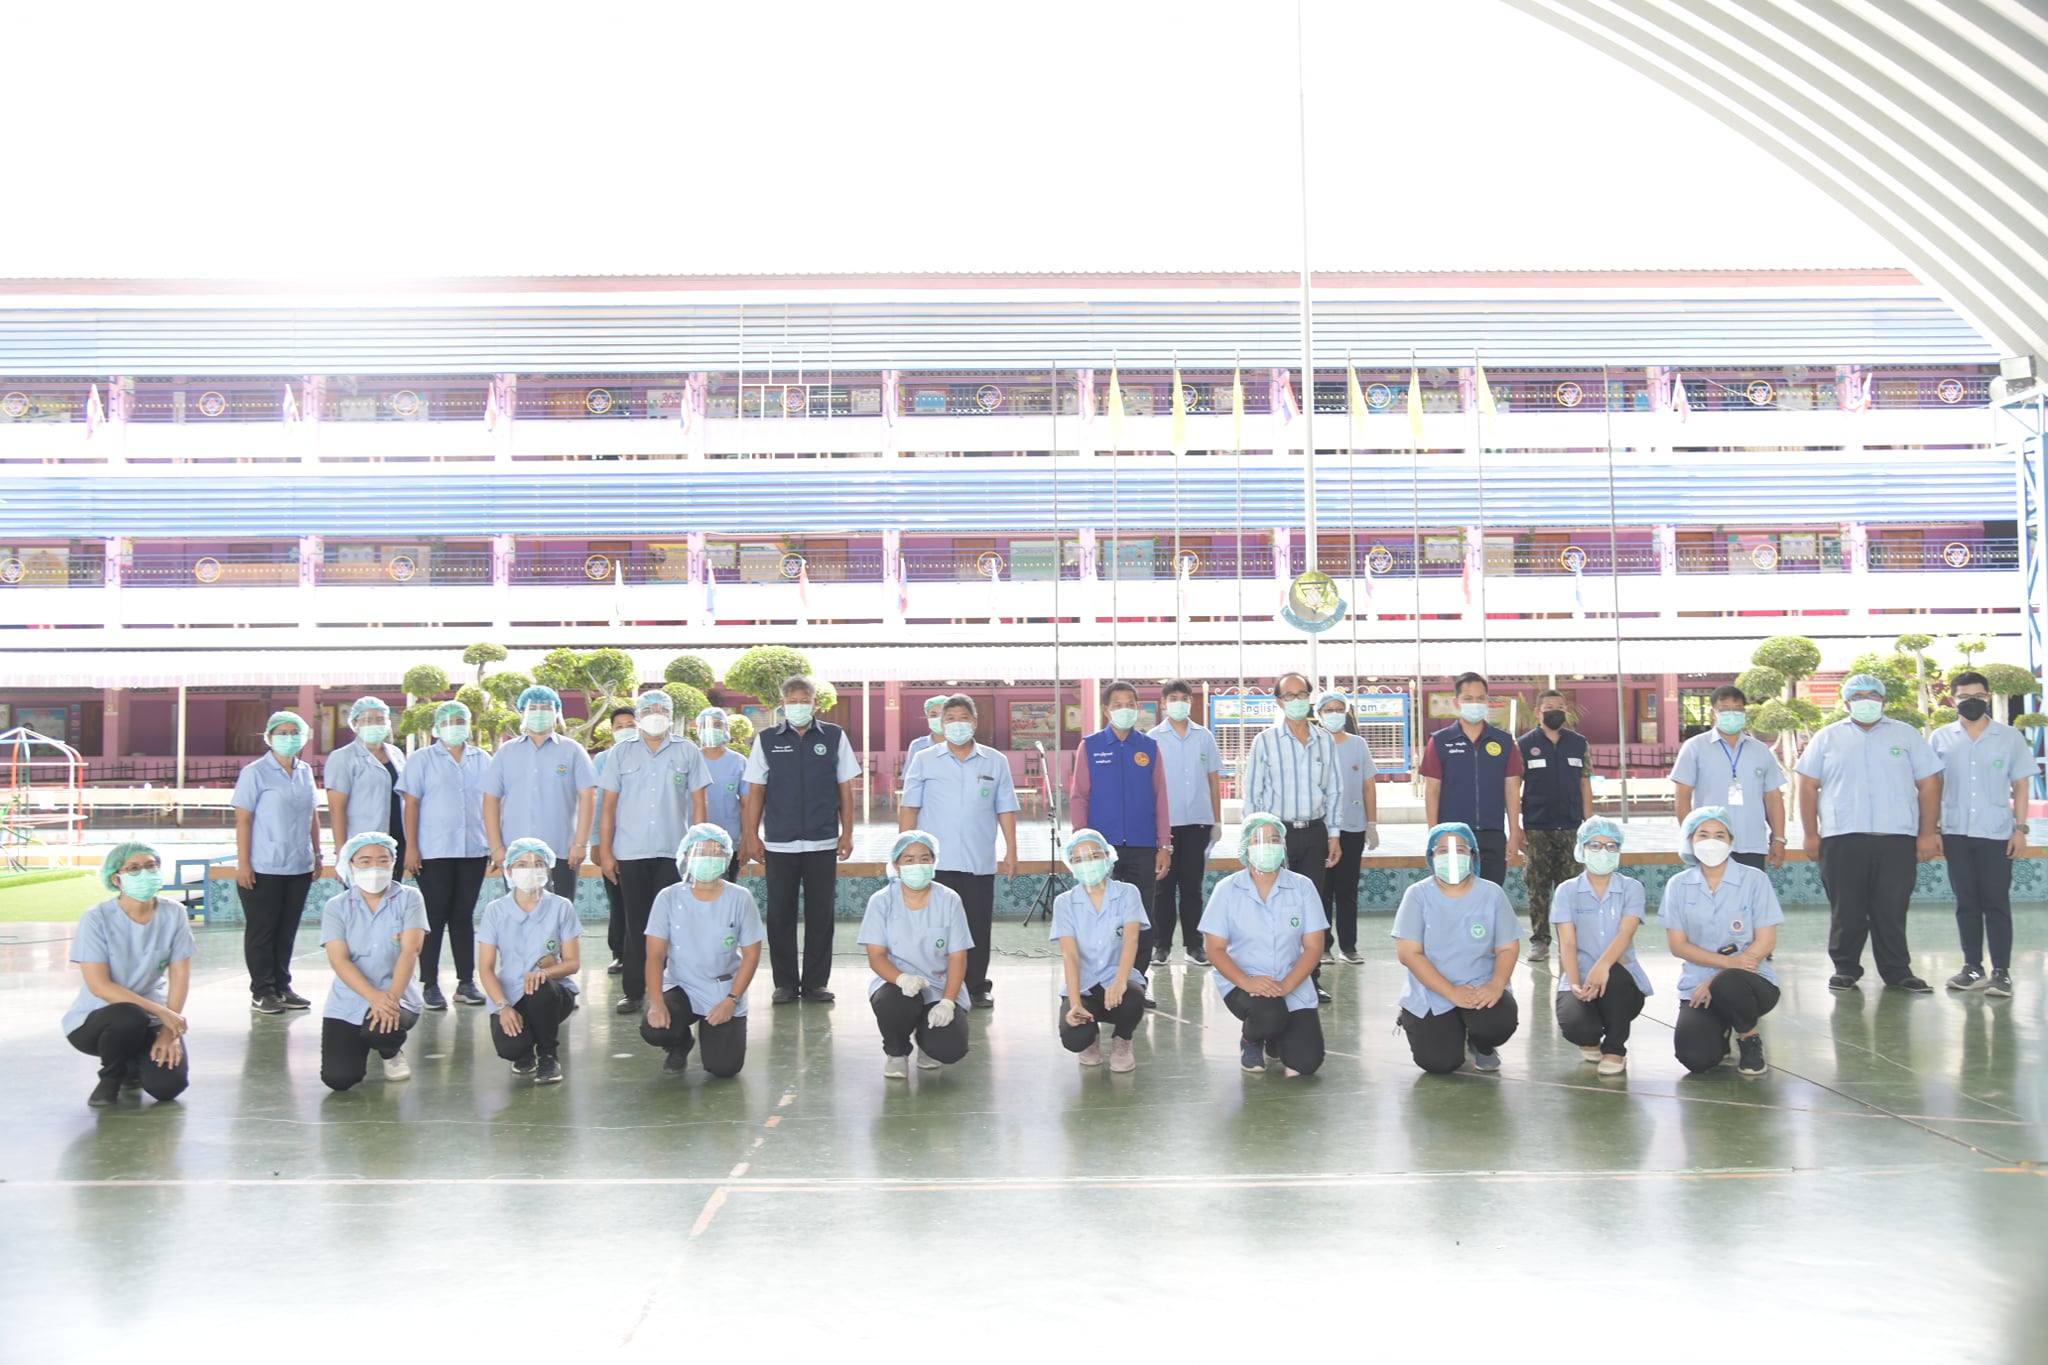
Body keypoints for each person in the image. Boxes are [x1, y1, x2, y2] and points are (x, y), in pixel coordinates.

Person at [1795, 672, 1942, 992]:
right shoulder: (1826, 737)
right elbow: (1807, 785)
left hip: (1897, 838)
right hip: (1842, 837)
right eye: (1858, 696)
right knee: (1846, 908)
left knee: (1891, 908)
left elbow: (1929, 782)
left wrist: (1927, 833)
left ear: (1884, 700)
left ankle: (1898, 971)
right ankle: (1845, 968)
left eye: (1873, 695)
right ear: (1846, 701)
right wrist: (1810, 833)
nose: (1866, 702)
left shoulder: (1906, 736)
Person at [740, 674, 860, 1003]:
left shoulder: (834, 736)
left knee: (822, 915)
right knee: (780, 915)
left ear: (814, 703)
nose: (797, 706)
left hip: (823, 842)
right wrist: (751, 835)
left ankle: (816, 984)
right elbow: (756, 789)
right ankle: (785, 984)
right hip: (779, 842)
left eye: (803, 700)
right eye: (791, 701)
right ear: (782, 705)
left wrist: (846, 832)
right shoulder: (765, 740)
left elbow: (845, 788)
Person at [900, 693, 1019, 1009]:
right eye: (950, 719)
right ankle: (934, 983)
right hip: (934, 864)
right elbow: (909, 807)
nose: (956, 725)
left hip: (978, 860)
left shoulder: (995, 761)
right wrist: (903, 854)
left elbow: (1005, 808)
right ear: (941, 724)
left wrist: (1011, 851)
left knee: (977, 925)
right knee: (935, 927)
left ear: (975, 723)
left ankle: (977, 986)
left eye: (963, 718)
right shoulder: (924, 759)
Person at [598, 689, 711, 1016]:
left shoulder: (687, 751)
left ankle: (677, 987)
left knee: (675, 923)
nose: (655, 714)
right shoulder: (621, 753)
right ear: (638, 715)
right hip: (630, 853)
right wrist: (606, 852)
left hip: (673, 853)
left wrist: (697, 849)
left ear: (671, 714)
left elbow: (699, 805)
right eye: (648, 710)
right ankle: (634, 992)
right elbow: (608, 807)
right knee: (636, 924)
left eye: (662, 709)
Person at [1931, 670, 2038, 996]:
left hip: (1995, 832)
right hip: (1955, 831)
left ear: (1988, 698)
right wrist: (1933, 828)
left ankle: (2001, 971)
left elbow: (2020, 785)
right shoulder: (1940, 738)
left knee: (1996, 902)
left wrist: (2019, 829)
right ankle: (1972, 966)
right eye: (1964, 697)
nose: (1971, 702)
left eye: (1978, 696)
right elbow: (1932, 786)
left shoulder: (2009, 738)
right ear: (1953, 700)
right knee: (1966, 902)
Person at [63, 842, 193, 1109]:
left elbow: (180, 974)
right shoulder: (96, 918)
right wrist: (164, 1012)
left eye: (150, 866)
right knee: (128, 1015)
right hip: (99, 1020)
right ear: (116, 878)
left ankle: (133, 1063)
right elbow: (100, 986)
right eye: (133, 869)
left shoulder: (174, 913)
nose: (144, 873)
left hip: (151, 1018)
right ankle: (111, 1079)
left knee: (168, 1087)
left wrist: (170, 1031)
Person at [1199, 813, 1328, 1077]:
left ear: (1283, 846)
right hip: (1242, 983)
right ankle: (1252, 1039)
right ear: (1246, 846)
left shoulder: (1303, 887)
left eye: (1274, 839)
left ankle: (1274, 1037)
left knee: (1306, 1063)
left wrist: (1287, 985)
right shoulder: (1227, 890)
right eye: (1258, 839)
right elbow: (1215, 948)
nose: (1267, 845)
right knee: (1269, 1014)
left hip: (1291, 982)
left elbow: (1314, 946)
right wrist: (1247, 982)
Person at [1238, 672, 1341, 1002]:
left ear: (1310, 698)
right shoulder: (1265, 741)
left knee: (1311, 907)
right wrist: (1252, 842)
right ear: (1278, 702)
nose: (1296, 701)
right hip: (1274, 836)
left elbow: (1335, 790)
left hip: (1314, 832)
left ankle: (1310, 978)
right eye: (1289, 696)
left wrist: (1334, 835)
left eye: (1301, 695)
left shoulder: (1324, 740)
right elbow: (1252, 795)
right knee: (1274, 907)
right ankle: (1270, 976)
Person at [1066, 680, 1171, 999]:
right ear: (1106, 710)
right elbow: (1079, 796)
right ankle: (1095, 979)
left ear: (1137, 708)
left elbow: (1160, 798)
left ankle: (1137, 980)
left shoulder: (1149, 747)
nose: (1124, 709)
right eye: (1117, 704)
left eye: (1130, 704)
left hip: (1142, 846)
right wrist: (1081, 845)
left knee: (1141, 917)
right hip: (1101, 851)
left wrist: (1164, 844)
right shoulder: (1091, 745)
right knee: (1099, 913)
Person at [1393, 822, 1523, 1075]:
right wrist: (1451, 992)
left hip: (1480, 988)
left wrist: (1496, 984)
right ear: (1430, 857)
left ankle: (1481, 1043)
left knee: (1496, 1023)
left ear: (1472, 855)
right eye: (1442, 851)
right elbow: (1409, 953)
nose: (1452, 857)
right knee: (1438, 1063)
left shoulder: (1491, 894)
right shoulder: (1417, 895)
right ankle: (1445, 1033)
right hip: (1432, 992)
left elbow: (1508, 947)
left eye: (1460, 850)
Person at [1661, 807, 1783, 1075]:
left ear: (1731, 841)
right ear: (1690, 841)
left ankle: (1748, 1037)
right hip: (1697, 988)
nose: (1712, 842)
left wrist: (1718, 977)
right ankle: (1721, 1031)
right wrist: (1725, 964)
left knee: (1729, 983)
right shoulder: (1678, 886)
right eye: (1703, 835)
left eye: (1719, 835)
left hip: (1751, 982)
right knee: (1695, 1058)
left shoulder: (1755, 880)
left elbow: (1766, 941)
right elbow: (1677, 945)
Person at [640, 824, 763, 1079]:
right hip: (681, 986)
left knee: (724, 1067)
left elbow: (751, 955)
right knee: (654, 1029)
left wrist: (731, 1001)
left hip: (723, 989)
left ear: (726, 858)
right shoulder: (668, 897)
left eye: (716, 852)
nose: (708, 858)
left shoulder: (740, 898)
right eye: (700, 851)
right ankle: (680, 1042)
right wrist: (656, 1003)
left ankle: (716, 1030)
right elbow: (654, 956)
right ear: (686, 856)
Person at [398, 699, 493, 1010]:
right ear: (437, 727)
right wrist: (411, 847)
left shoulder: (483, 759)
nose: (455, 726)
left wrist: (494, 843)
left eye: (460, 720)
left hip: (473, 849)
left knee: (463, 916)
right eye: (449, 721)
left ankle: (466, 982)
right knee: (435, 917)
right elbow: (410, 805)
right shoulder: (422, 760)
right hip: (433, 850)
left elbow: (493, 804)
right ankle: (429, 983)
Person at [857, 830, 973, 1078]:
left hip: (941, 986)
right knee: (894, 1003)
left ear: (934, 862)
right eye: (908, 860)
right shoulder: (881, 902)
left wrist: (948, 1001)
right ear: (896, 866)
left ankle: (927, 1042)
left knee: (950, 1049)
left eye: (924, 858)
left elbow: (957, 957)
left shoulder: (949, 900)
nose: (917, 865)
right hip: (897, 985)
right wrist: (901, 979)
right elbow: (876, 956)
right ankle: (896, 1052)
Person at [318, 833, 427, 1092]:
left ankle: (390, 1051)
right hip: (349, 1000)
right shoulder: (337, 907)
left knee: (379, 1031)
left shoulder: (410, 898)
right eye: (365, 861)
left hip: (397, 997)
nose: (374, 867)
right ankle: (363, 1045)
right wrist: (372, 997)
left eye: (383, 860)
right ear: (351, 865)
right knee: (338, 1079)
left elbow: (410, 951)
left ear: (393, 863)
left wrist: (389, 999)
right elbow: (339, 959)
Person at [233, 709, 322, 1015]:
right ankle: (262, 991)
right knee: (263, 930)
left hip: (298, 864)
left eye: (294, 732)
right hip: (263, 866)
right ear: (269, 737)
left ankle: (282, 987)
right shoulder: (255, 772)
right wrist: (243, 863)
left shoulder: (305, 771)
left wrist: (318, 853)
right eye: (281, 732)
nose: (289, 738)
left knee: (287, 930)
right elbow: (243, 820)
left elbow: (312, 814)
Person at [1549, 816, 1651, 1076]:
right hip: (1579, 974)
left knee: (1614, 975)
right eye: (1594, 845)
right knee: (1576, 1025)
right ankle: (1591, 1039)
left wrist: (1603, 966)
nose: (1602, 852)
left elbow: (1625, 933)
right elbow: (1568, 943)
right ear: (1581, 849)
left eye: (1610, 846)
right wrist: (1574, 984)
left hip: (1621, 980)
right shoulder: (1567, 890)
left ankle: (1616, 1049)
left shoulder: (1631, 888)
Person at [483, 684, 598, 903]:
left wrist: (580, 843)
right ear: (523, 712)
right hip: (515, 853)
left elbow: (588, 796)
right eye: (532, 707)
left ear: (556, 713)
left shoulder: (572, 751)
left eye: (545, 707)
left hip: (562, 852)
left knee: (560, 915)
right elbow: (490, 799)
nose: (539, 712)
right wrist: (496, 846)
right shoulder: (506, 753)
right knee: (517, 916)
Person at [1050, 828, 1147, 1073]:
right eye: (1079, 859)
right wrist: (1073, 1003)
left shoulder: (1128, 893)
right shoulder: (1065, 903)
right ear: (1071, 864)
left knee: (1134, 999)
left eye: (1094, 855)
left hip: (1118, 980)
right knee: (1074, 1038)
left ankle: (1122, 1039)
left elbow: (1131, 940)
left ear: (1108, 856)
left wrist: (1121, 981)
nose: (1088, 863)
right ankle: (1090, 1039)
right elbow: (1070, 955)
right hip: (1084, 986)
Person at [1417, 673, 1525, 888]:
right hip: (1453, 836)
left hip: (1492, 834)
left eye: (1480, 698)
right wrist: (1434, 835)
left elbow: (1512, 789)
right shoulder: (1440, 741)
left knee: (1490, 896)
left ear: (1487, 702)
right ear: (1457, 703)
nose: (1475, 703)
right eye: (1468, 698)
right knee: (1455, 896)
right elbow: (1432, 791)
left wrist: (1514, 833)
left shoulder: (1503, 741)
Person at [1670, 684, 1789, 871]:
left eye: (1737, 709)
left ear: (1744, 713)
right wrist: (1690, 837)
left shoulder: (1760, 751)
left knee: (1750, 899)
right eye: (1724, 709)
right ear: (1713, 713)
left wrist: (1779, 838)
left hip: (1752, 843)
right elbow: (1682, 796)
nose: (1731, 714)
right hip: (1709, 844)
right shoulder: (1695, 747)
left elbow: (1773, 797)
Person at [1147, 678, 1223, 966]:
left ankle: (1194, 946)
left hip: (1199, 824)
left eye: (1184, 697)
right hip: (1166, 826)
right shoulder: (1153, 738)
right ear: (1164, 703)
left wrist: (1217, 820)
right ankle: (1160, 946)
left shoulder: (1204, 736)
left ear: (1191, 702)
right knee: (1163, 888)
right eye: (1173, 698)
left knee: (1192, 888)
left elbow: (1213, 780)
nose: (1179, 702)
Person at [1515, 689, 1591, 963]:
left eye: (1560, 706)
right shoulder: (1524, 745)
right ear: (1538, 712)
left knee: (1571, 887)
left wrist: (1589, 827)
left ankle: (1570, 940)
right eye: (1549, 707)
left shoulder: (1579, 743)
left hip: (1571, 828)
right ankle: (1539, 941)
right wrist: (1516, 828)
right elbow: (1514, 787)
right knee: (1537, 886)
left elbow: (1585, 784)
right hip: (1537, 828)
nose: (1555, 710)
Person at [1316, 689, 1379, 965]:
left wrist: (1372, 823)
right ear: (1319, 714)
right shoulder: (1313, 743)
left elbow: (1368, 785)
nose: (1334, 714)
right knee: (1322, 889)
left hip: (1352, 827)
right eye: (1328, 709)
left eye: (1338, 709)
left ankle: (1349, 945)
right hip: (1320, 828)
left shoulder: (1358, 745)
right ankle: (1323, 946)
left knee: (1347, 889)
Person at [324, 695, 407, 893]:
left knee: (392, 899)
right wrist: (341, 853)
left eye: (380, 719)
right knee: (361, 901)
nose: (374, 724)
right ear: (354, 723)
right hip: (362, 844)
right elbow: (337, 810)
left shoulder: (395, 754)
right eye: (367, 720)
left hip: (395, 842)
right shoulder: (342, 758)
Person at [593, 705, 638, 977]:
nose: (624, 730)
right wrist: (598, 843)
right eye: (619, 726)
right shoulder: (603, 760)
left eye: (629, 724)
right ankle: (620, 953)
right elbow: (600, 805)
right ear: (611, 731)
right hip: (614, 841)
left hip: (643, 842)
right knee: (618, 900)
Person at [695, 706, 751, 850]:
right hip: (694, 841)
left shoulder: (738, 762)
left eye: (717, 725)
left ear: (726, 729)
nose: (711, 729)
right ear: (699, 730)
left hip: (730, 841)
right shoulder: (690, 760)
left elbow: (747, 805)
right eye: (706, 725)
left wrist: (747, 838)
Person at [904, 694, 948, 767]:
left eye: (943, 715)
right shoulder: (917, 745)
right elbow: (909, 776)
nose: (939, 719)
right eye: (934, 715)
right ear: (928, 718)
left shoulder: (961, 745)